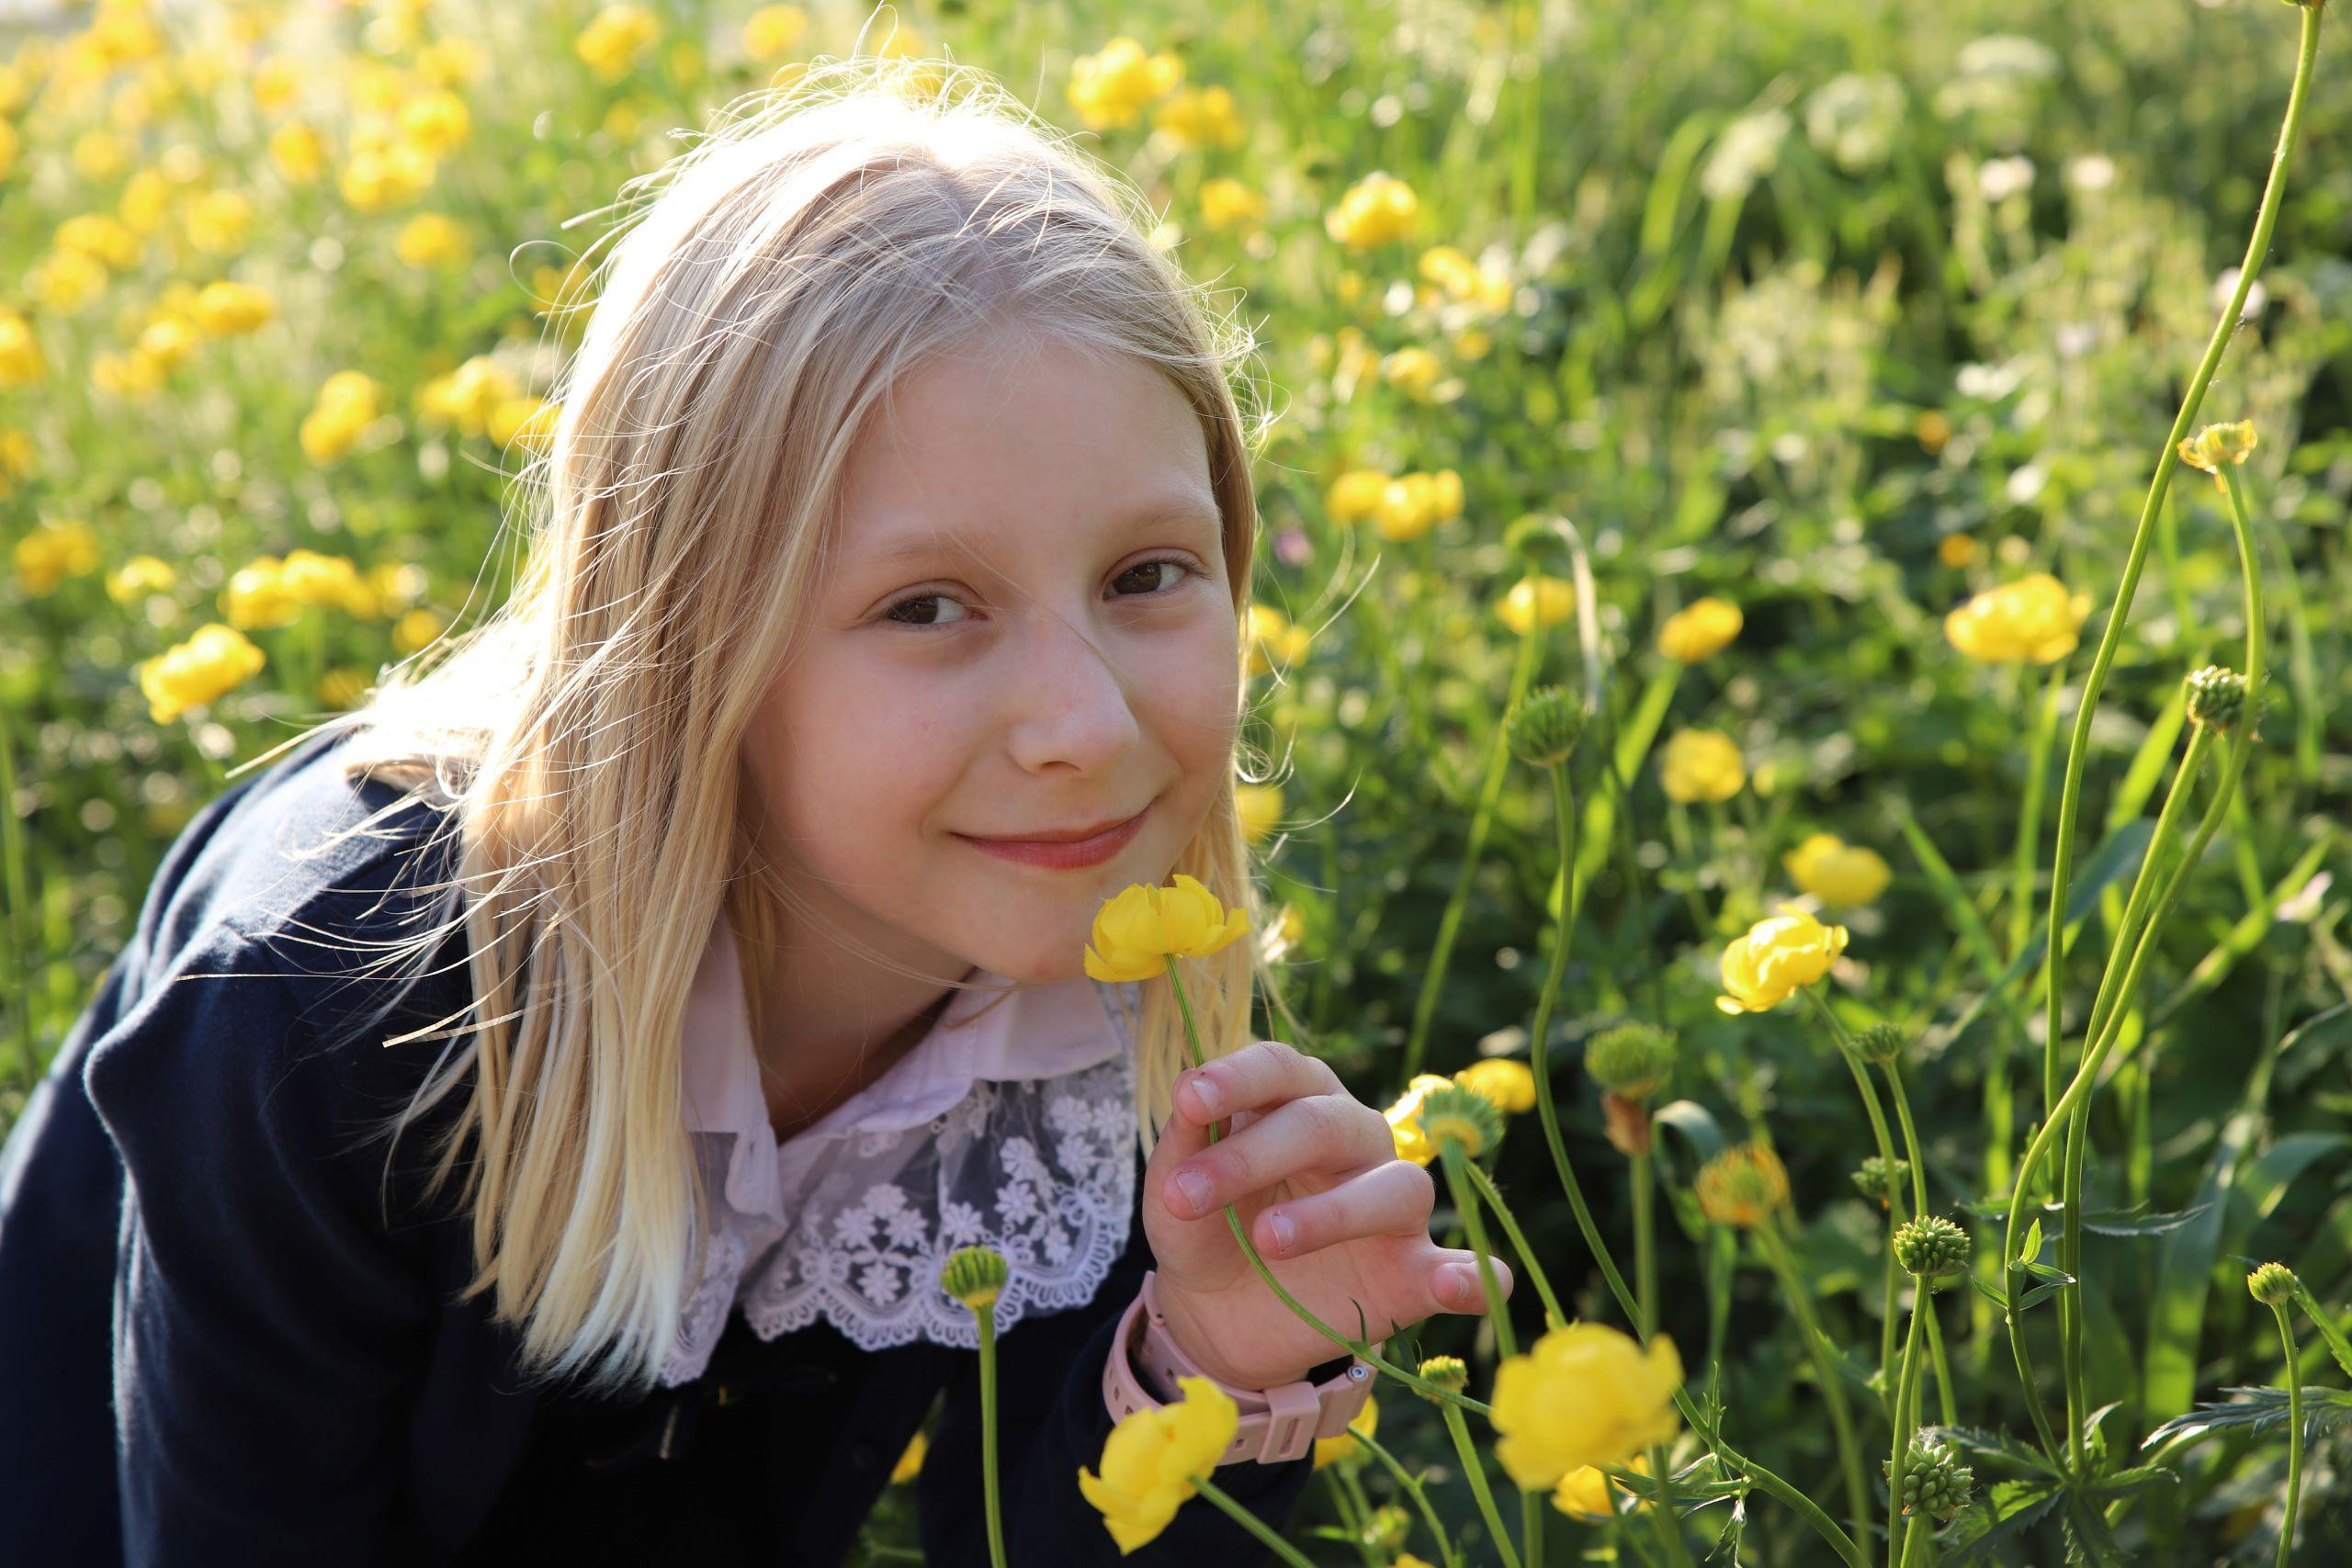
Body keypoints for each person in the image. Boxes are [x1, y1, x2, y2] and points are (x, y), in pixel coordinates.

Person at [0, 56, 1510, 1567]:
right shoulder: (318, 1002)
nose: (1090, 729)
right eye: (929, 606)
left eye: (1147, 577)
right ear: (683, 638)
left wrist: (1209, 1371)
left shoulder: (1105, 967)